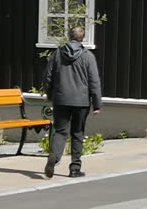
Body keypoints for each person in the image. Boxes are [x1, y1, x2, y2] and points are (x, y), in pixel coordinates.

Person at [42, 26, 102, 178]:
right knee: (77, 133)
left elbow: (48, 76)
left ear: (69, 36)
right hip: (81, 101)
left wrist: (49, 94)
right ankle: (74, 169)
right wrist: (97, 104)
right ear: (82, 38)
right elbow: (94, 81)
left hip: (61, 99)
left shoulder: (57, 54)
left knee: (61, 131)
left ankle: (54, 157)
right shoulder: (88, 56)